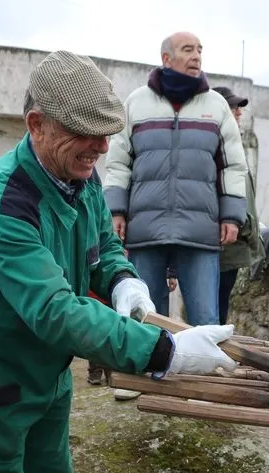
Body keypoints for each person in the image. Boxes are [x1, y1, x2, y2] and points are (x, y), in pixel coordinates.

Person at [0, 50, 239, 473]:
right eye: (86, 131)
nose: (101, 145)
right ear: (37, 124)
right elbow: (56, 311)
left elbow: (103, 250)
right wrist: (166, 350)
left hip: (47, 375)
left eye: (107, 132)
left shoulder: (80, 174)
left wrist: (122, 282)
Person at [103, 31, 249, 328]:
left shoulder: (217, 106)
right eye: (187, 50)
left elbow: (233, 166)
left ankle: (206, 373)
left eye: (199, 50)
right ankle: (149, 373)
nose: (196, 56)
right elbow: (118, 162)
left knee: (206, 321)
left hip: (200, 231)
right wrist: (116, 211)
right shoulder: (136, 103)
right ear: (166, 58)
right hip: (146, 230)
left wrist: (232, 216)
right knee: (146, 318)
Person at [212, 87, 265, 324]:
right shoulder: (214, 146)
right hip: (221, 244)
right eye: (233, 108)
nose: (239, 113)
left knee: (220, 306)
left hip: (233, 245)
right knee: (212, 307)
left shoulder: (232, 145)